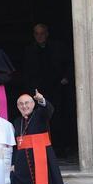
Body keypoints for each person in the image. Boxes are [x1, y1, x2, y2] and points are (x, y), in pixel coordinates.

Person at [22, 23, 74, 156]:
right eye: (36, 34)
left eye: (42, 33)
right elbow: (26, 72)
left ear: (47, 34)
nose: (39, 36)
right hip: (37, 92)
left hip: (57, 89)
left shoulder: (58, 47)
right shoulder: (28, 50)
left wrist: (66, 78)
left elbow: (69, 63)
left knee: (58, 118)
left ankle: (59, 149)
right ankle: (40, 149)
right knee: (38, 119)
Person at [11, 90, 67, 184]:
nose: (24, 106)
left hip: (43, 160)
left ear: (33, 104)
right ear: (18, 107)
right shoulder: (17, 122)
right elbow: (16, 145)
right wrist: (13, 163)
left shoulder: (40, 115)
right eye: (21, 104)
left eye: (27, 103)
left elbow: (49, 110)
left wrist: (41, 100)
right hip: (23, 165)